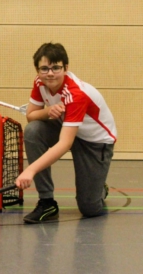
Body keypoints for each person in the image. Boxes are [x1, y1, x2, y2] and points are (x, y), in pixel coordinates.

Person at [15, 42, 117, 224]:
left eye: (56, 67)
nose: (50, 73)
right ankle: (47, 202)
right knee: (33, 131)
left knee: (89, 208)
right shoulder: (40, 83)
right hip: (67, 127)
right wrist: (48, 111)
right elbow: (31, 116)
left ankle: (99, 188)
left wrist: (30, 170)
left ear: (66, 68)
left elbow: (64, 144)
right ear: (37, 70)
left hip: (95, 141)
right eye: (44, 68)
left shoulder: (76, 94)